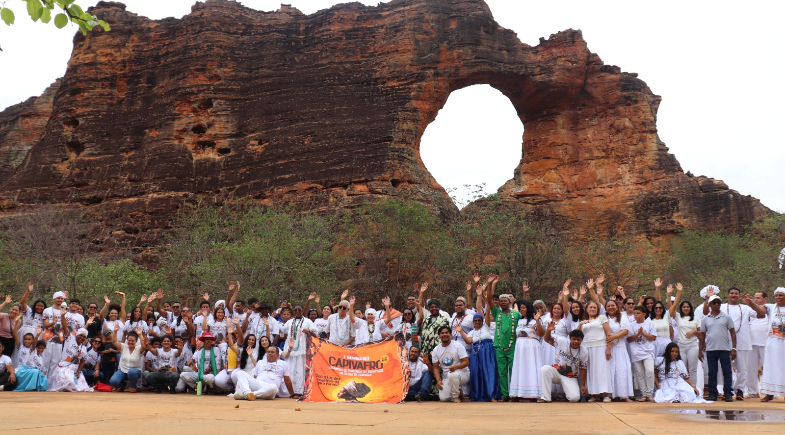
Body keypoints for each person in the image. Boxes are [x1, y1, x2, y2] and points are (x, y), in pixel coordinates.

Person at [701, 287, 756, 400]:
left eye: (736, 293)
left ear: (739, 296)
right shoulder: (722, 307)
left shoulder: (745, 308)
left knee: (741, 368)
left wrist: (752, 302)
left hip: (741, 342)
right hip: (720, 344)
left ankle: (738, 390)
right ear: (727, 295)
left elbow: (761, 314)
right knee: (719, 371)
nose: (734, 295)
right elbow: (706, 312)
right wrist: (708, 298)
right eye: (731, 293)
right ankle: (717, 392)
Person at [486, 274, 521, 401]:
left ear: (509, 302)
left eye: (505, 301)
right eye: (501, 302)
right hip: (499, 346)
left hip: (512, 347)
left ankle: (514, 393)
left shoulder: (516, 315)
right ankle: (505, 395)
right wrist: (490, 284)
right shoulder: (497, 313)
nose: (502, 303)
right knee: (502, 372)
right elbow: (489, 299)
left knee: (513, 370)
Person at [456, 307, 500, 402]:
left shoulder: (486, 327)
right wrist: (461, 332)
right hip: (476, 354)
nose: (477, 322)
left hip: (488, 353)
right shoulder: (471, 332)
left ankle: (492, 395)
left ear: (482, 321)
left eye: (479, 320)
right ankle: (478, 395)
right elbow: (468, 341)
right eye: (475, 320)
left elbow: (487, 314)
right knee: (477, 373)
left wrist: (488, 303)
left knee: (489, 373)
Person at [699, 292, 736, 402]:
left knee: (727, 372)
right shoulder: (705, 319)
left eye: (718, 303)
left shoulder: (726, 317)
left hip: (725, 349)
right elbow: (702, 335)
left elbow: (733, 333)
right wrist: (700, 350)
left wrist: (734, 348)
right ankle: (713, 393)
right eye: (714, 303)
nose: (716, 305)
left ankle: (728, 393)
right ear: (709, 305)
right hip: (711, 349)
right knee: (712, 372)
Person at [538, 325, 588, 403]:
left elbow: (583, 368)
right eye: (574, 339)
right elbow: (547, 339)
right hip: (556, 372)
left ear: (582, 340)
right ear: (570, 339)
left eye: (578, 340)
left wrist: (582, 385)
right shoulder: (562, 341)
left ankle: (567, 392)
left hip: (570, 376)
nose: (576, 341)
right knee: (545, 369)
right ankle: (546, 397)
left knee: (574, 398)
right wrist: (548, 330)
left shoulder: (584, 351)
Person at [47, 314, 93, 393]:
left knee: (81, 387)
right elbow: (65, 328)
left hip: (75, 369)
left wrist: (78, 372)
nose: (81, 338)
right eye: (80, 336)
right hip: (64, 366)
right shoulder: (70, 338)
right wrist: (62, 316)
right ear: (77, 335)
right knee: (68, 381)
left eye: (84, 337)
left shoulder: (84, 348)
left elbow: (82, 361)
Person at [669, 283, 703, 388]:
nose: (686, 308)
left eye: (688, 307)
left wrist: (694, 332)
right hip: (681, 346)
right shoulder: (678, 317)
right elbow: (671, 308)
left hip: (693, 346)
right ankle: (683, 388)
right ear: (681, 308)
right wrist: (674, 293)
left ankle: (693, 389)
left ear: (690, 308)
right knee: (681, 368)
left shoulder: (696, 319)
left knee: (692, 369)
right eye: (684, 307)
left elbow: (701, 334)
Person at [578, 299, 612, 402]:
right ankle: (595, 394)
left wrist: (608, 348)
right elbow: (577, 334)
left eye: (594, 307)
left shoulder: (602, 318)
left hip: (600, 346)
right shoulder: (583, 321)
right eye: (590, 307)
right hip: (587, 348)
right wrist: (581, 324)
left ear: (597, 310)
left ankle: (606, 394)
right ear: (586, 309)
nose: (592, 309)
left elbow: (608, 333)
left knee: (602, 370)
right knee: (591, 371)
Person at [280, 303, 316, 398]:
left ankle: (300, 392)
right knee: (289, 370)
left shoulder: (307, 321)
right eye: (295, 310)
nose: (297, 312)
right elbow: (283, 333)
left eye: (299, 310)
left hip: (302, 349)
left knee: (300, 370)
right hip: (290, 350)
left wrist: (308, 332)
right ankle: (288, 392)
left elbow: (316, 333)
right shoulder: (289, 322)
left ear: (302, 310)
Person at [509, 299, 542, 401]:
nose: (522, 309)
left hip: (532, 347)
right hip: (520, 348)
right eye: (520, 308)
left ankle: (533, 393)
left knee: (531, 368)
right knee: (520, 368)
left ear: (529, 308)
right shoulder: (519, 321)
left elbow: (541, 334)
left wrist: (537, 320)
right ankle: (518, 393)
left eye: (524, 308)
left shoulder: (535, 320)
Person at [757, 287, 785, 402]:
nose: (778, 297)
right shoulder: (771, 307)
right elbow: (760, 310)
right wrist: (750, 303)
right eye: (776, 295)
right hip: (772, 341)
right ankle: (769, 393)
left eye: (780, 295)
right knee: (770, 366)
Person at [431, 325, 469, 403]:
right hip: (447, 378)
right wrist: (438, 380)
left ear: (450, 334)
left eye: (447, 333)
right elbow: (435, 367)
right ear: (439, 336)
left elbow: (466, 362)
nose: (444, 334)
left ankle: (455, 396)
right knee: (443, 398)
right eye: (442, 333)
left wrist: (455, 367)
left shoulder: (457, 345)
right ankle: (459, 391)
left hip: (462, 374)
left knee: (452, 374)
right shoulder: (436, 350)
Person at [605, 299, 633, 401]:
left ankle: (624, 395)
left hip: (620, 347)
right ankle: (609, 395)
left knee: (622, 370)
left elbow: (626, 331)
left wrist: (614, 337)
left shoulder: (622, 317)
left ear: (617, 307)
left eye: (613, 305)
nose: (611, 307)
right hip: (608, 348)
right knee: (609, 370)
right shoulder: (604, 318)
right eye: (608, 306)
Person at [627, 305, 657, 402]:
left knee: (649, 371)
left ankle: (650, 394)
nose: (636, 315)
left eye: (638, 313)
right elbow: (629, 339)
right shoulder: (631, 325)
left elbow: (653, 337)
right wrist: (637, 334)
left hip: (648, 352)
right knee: (639, 374)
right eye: (635, 313)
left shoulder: (649, 323)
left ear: (644, 314)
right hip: (636, 352)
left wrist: (643, 333)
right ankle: (643, 394)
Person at [109, 322, 147, 393]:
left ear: (136, 341)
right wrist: (115, 331)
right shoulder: (123, 346)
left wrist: (140, 335)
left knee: (132, 372)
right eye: (129, 340)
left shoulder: (139, 348)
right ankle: (122, 385)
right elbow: (114, 342)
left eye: (132, 341)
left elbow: (144, 346)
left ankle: (133, 386)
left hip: (135, 371)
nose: (130, 342)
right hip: (123, 370)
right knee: (113, 381)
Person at [417, 283, 450, 357]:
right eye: (432, 307)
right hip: (426, 351)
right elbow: (418, 304)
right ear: (429, 308)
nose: (434, 308)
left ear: (439, 308)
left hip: (440, 351)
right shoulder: (426, 319)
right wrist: (421, 293)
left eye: (436, 307)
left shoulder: (444, 319)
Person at [747, 291, 768, 398]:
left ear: (765, 299)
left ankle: (770, 392)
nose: (756, 300)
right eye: (755, 298)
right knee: (751, 368)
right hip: (751, 343)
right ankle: (752, 391)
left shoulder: (770, 309)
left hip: (766, 343)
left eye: (758, 298)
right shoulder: (749, 311)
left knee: (768, 368)